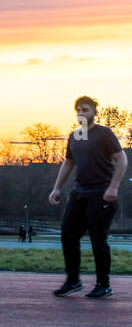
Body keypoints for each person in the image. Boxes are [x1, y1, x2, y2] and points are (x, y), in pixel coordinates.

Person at [49, 95, 126, 299]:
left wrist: (113, 187)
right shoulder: (76, 136)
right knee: (68, 234)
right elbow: (69, 163)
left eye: (85, 110)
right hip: (80, 192)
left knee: (97, 238)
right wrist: (56, 188)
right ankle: (73, 281)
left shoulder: (104, 134)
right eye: (78, 110)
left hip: (101, 193)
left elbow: (121, 159)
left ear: (94, 112)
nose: (81, 114)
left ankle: (103, 284)